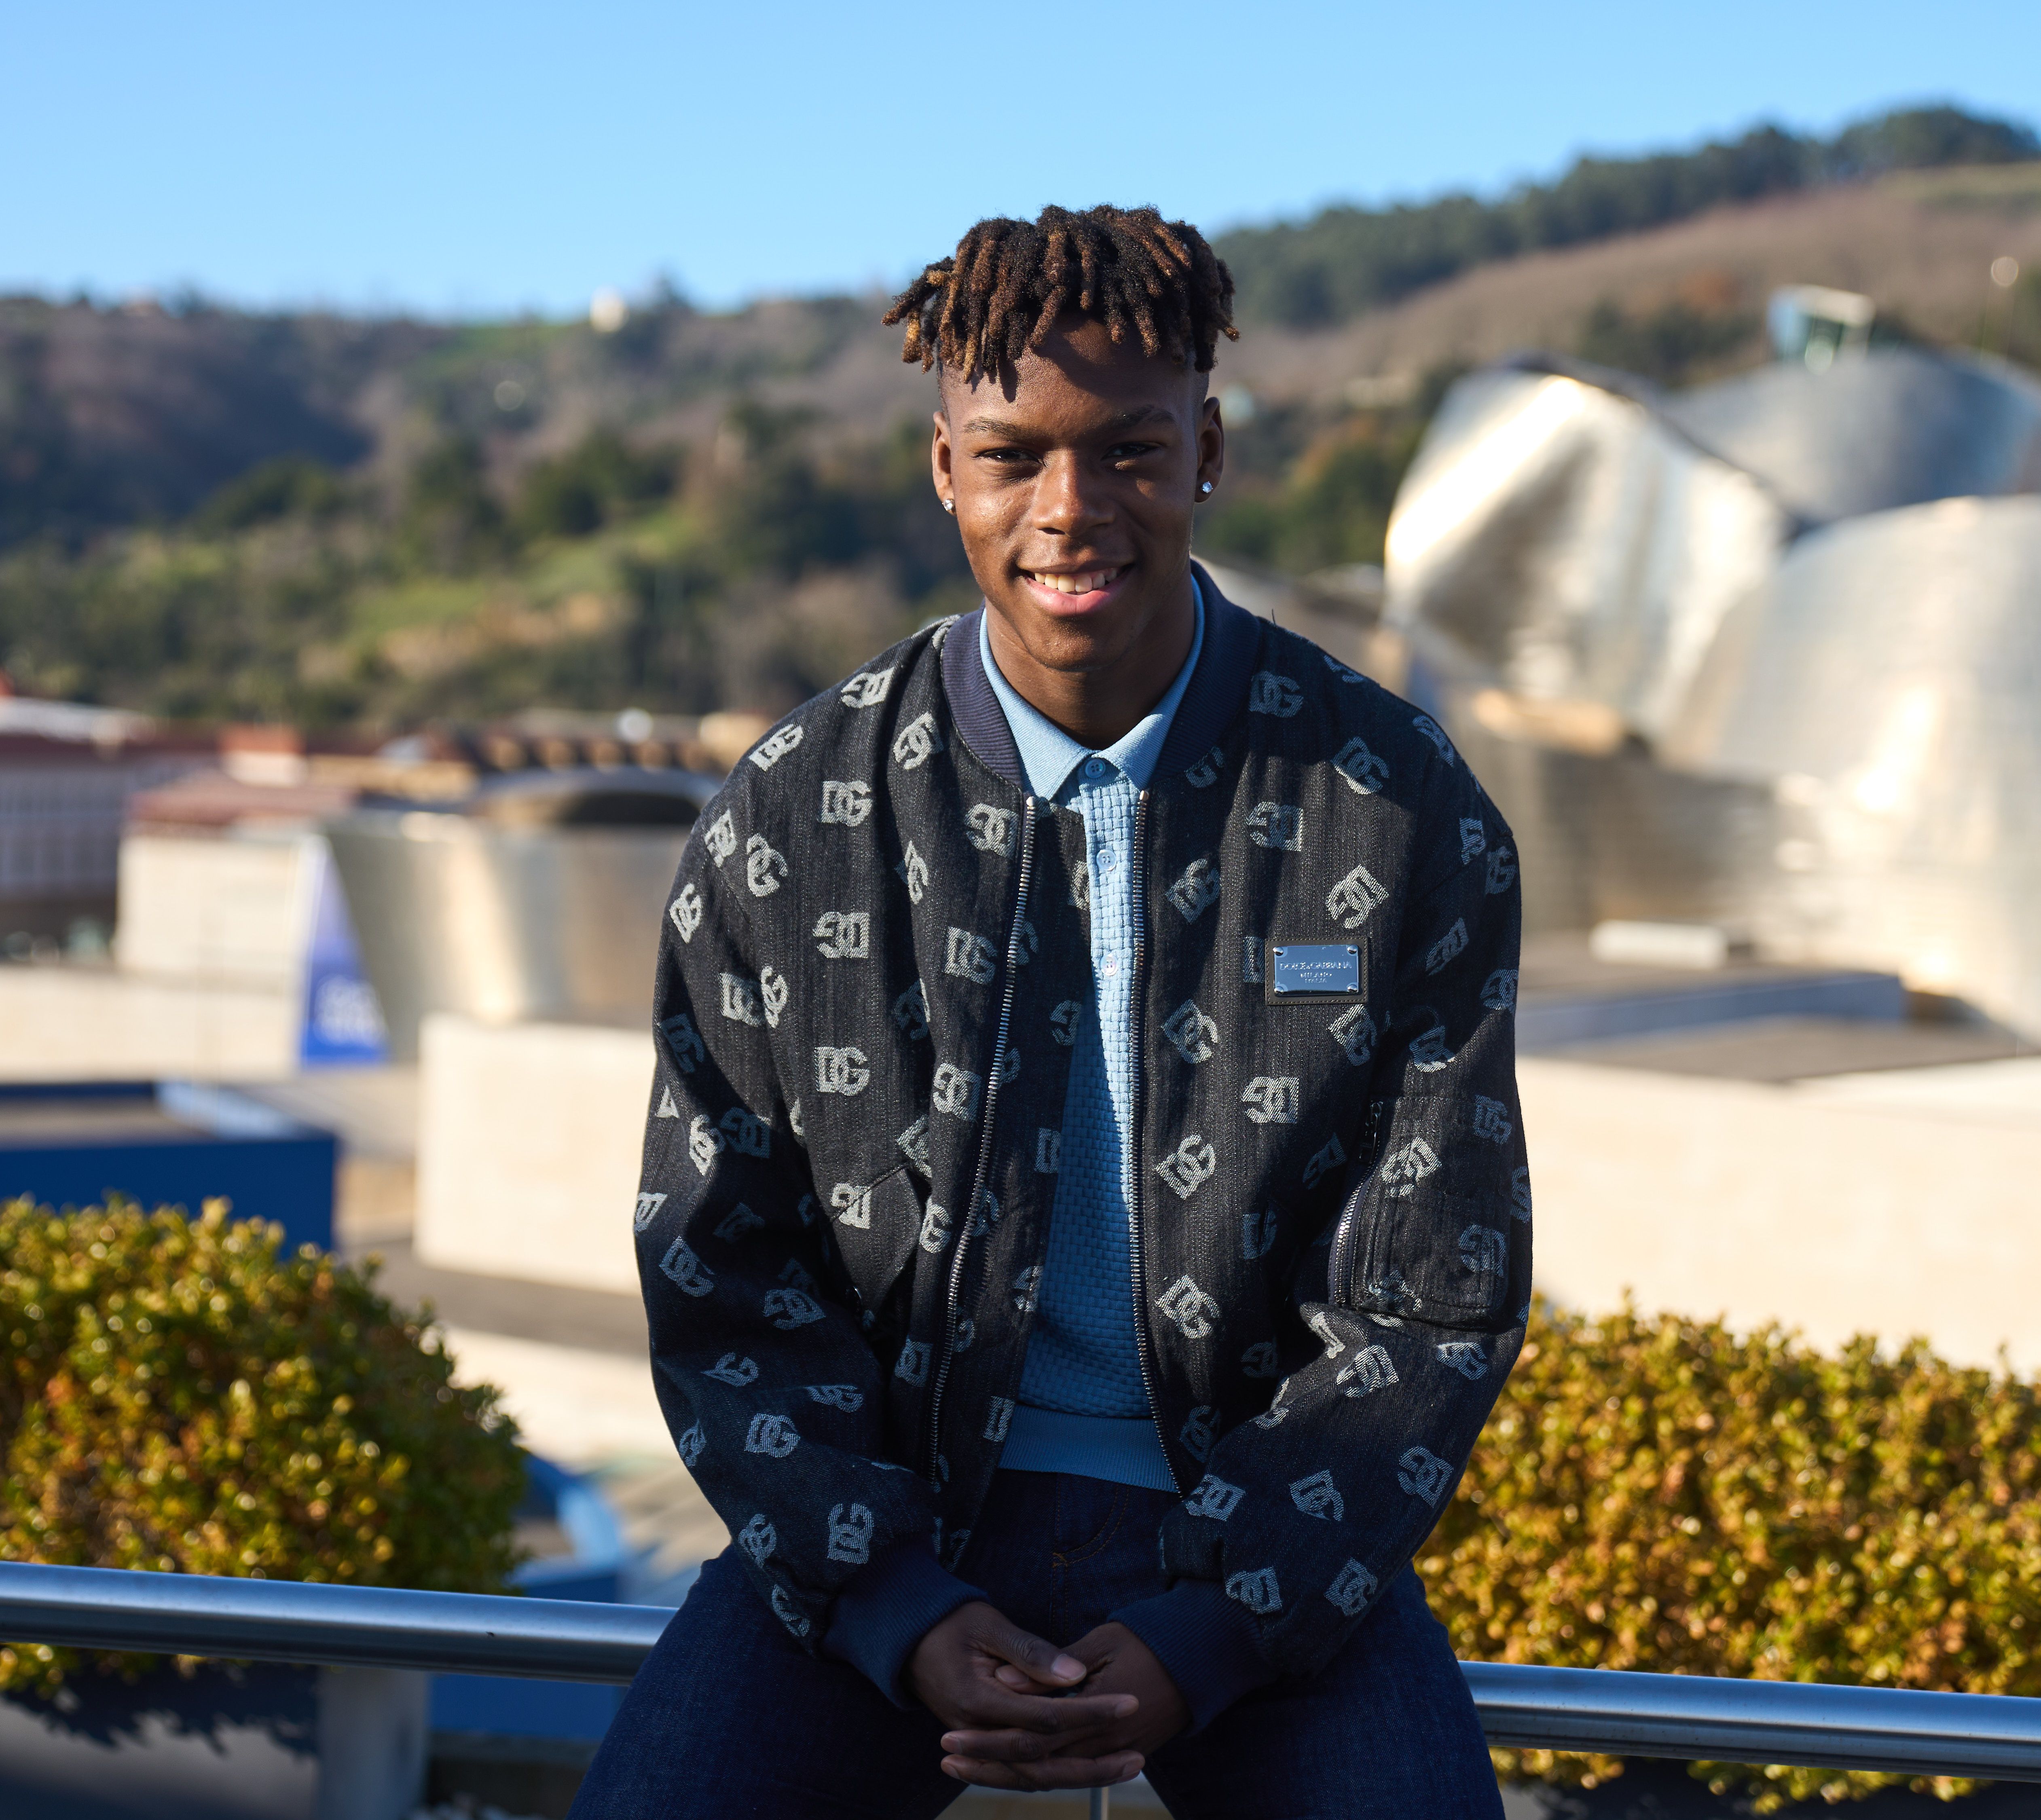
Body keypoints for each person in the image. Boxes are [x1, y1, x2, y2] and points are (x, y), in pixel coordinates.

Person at [570, 203, 1527, 1820]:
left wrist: (1219, 1625)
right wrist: (892, 1602)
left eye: (1129, 453)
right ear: (943, 466)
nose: (1069, 510)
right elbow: (721, 1264)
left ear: (1207, 446)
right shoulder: (793, 815)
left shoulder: (1395, 808)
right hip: (886, 1531)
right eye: (1012, 456)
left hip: (1265, 1546)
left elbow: (1425, 1304)